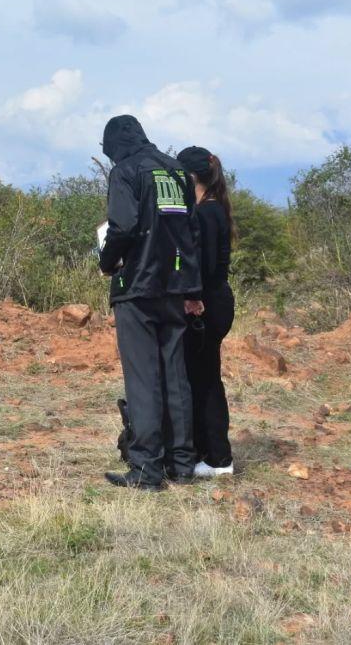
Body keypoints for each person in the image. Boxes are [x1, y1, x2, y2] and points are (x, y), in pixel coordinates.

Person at [98, 115, 204, 490]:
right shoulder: (177, 171)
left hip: (137, 287)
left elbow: (123, 226)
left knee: (143, 379)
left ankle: (146, 470)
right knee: (175, 375)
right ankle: (183, 464)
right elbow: (191, 233)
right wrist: (193, 289)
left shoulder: (126, 171)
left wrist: (106, 261)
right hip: (175, 288)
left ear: (115, 144)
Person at [177, 146, 235, 477]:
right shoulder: (213, 208)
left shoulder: (206, 213)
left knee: (205, 380)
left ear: (190, 176)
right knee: (202, 376)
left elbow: (206, 263)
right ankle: (207, 452)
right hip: (214, 301)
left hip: (207, 305)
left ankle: (218, 459)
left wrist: (193, 297)